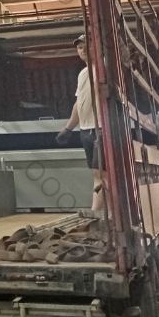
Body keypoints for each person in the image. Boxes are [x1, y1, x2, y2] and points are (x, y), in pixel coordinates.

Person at [56, 33, 105, 213]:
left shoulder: (104, 67)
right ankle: (99, 212)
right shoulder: (83, 73)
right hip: (86, 130)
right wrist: (68, 128)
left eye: (87, 45)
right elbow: (79, 103)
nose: (83, 50)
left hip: (101, 129)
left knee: (102, 173)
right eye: (79, 47)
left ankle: (98, 212)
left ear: (97, 46)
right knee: (97, 173)